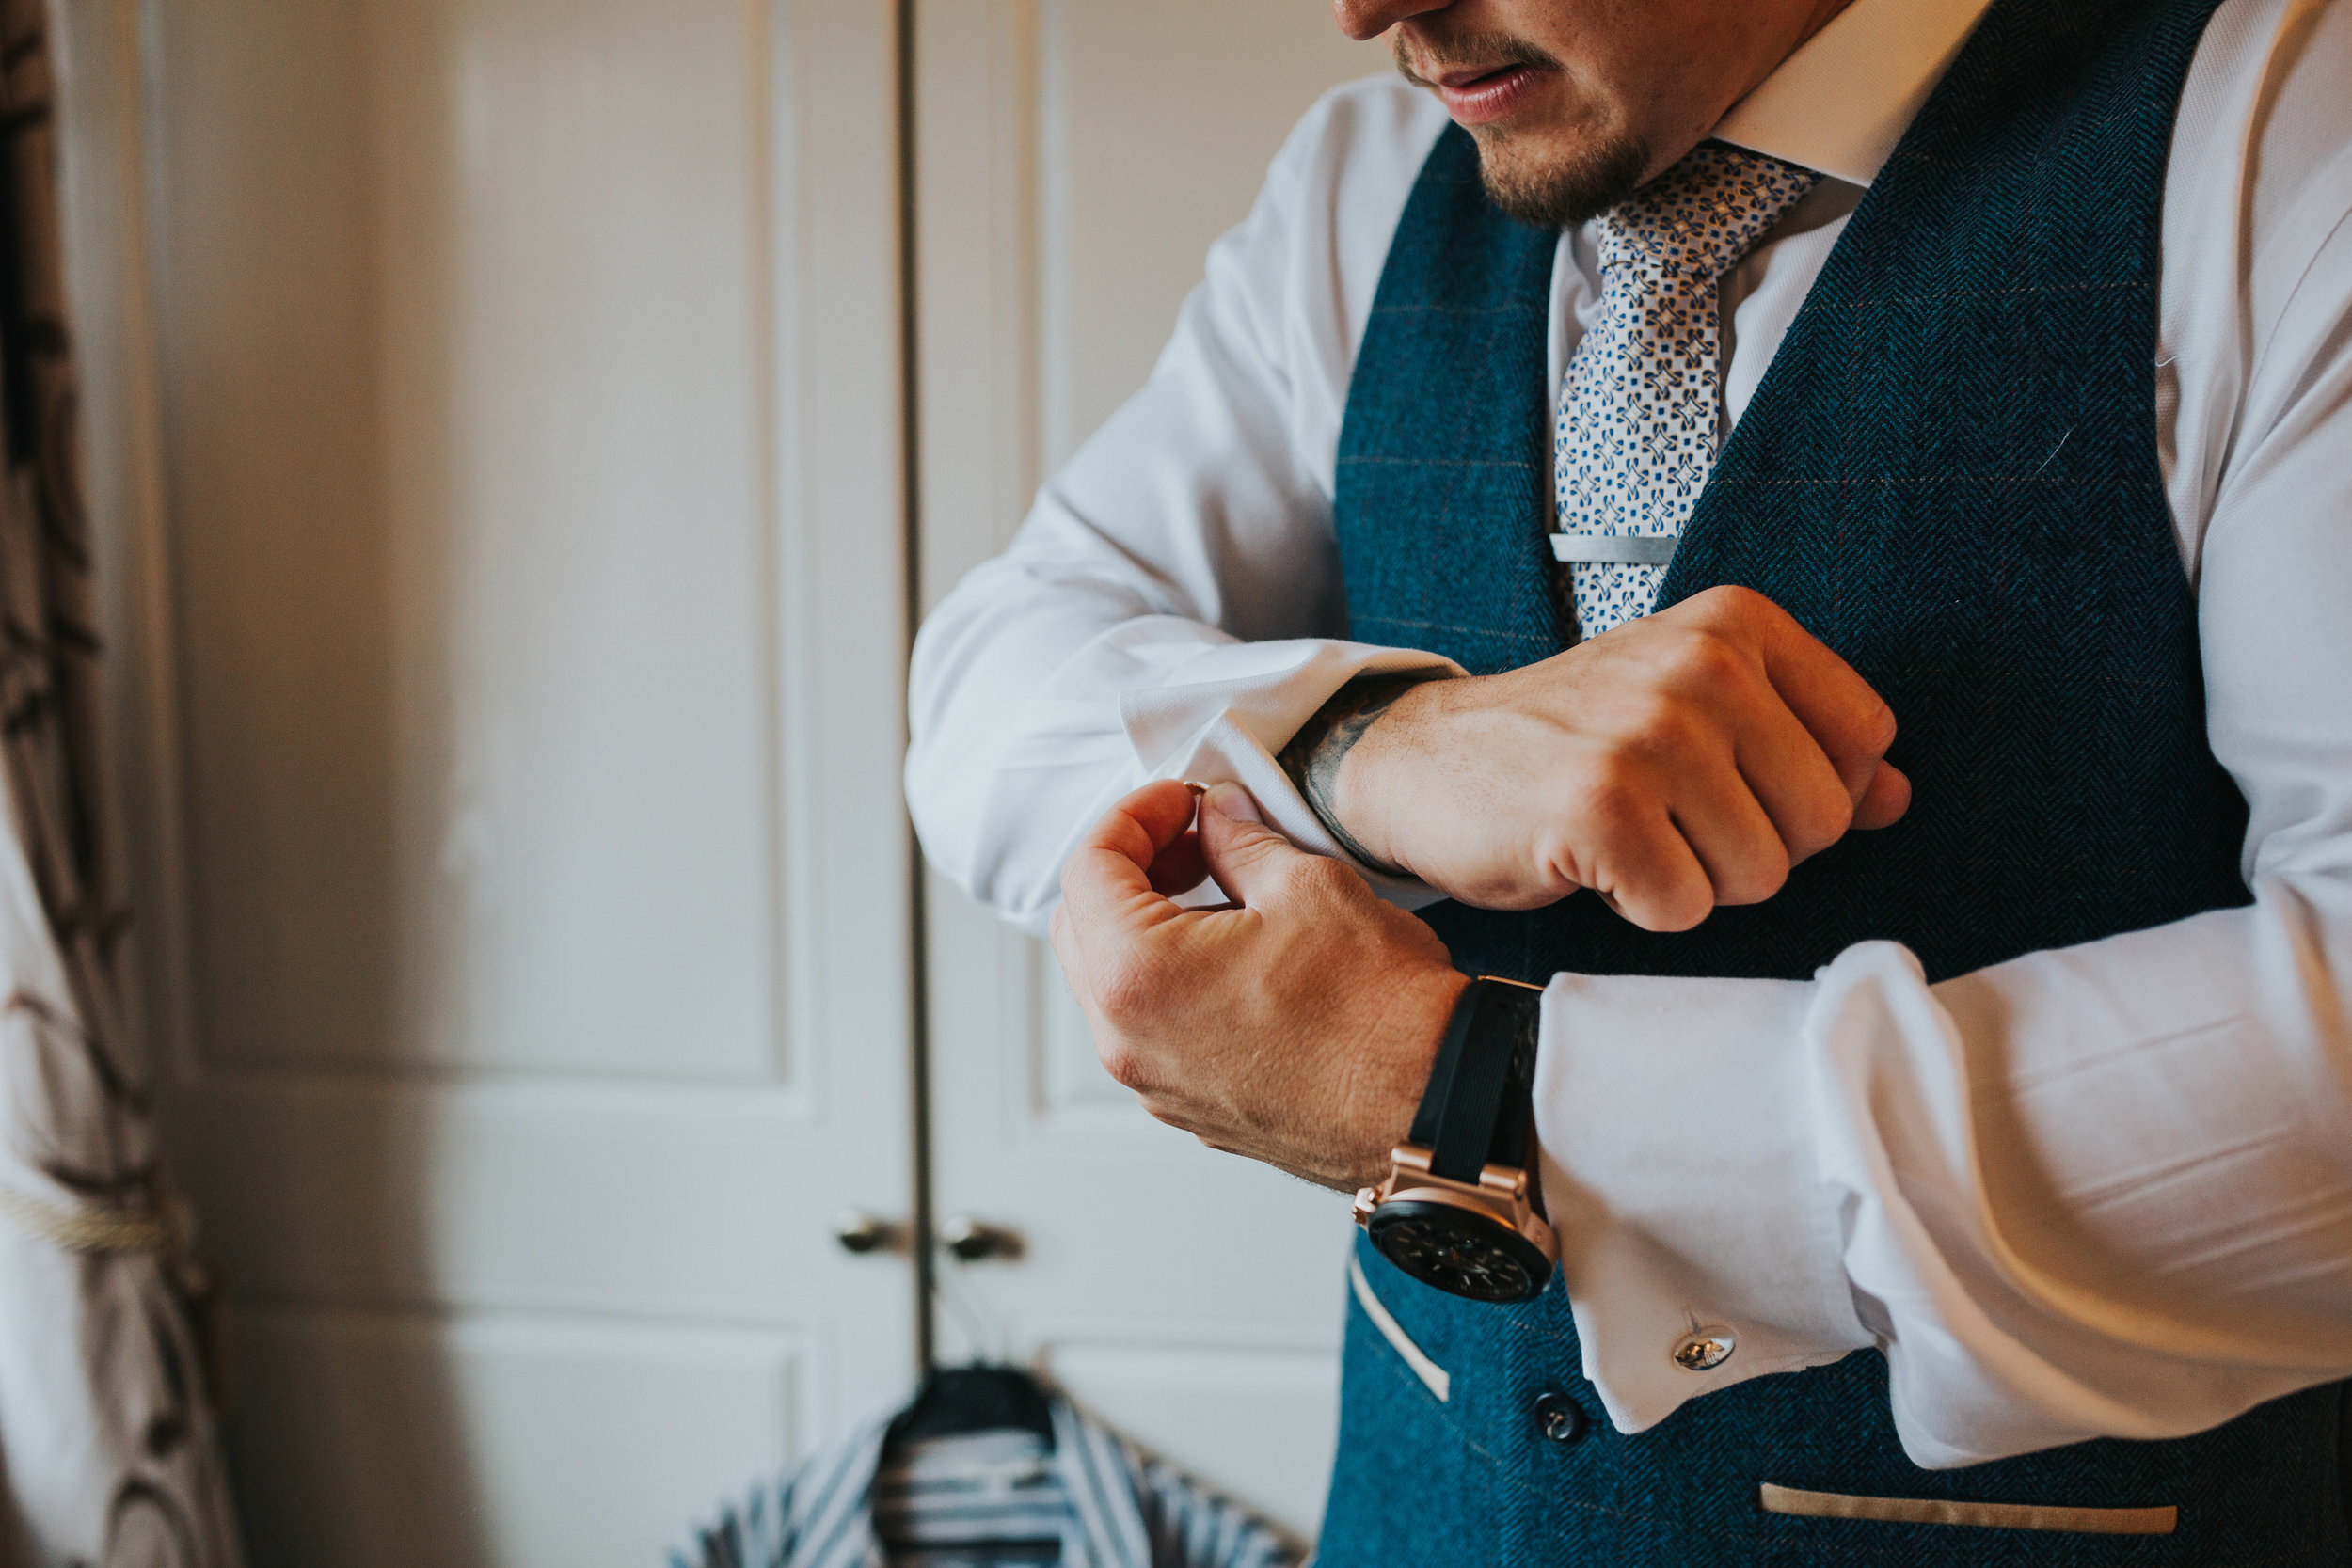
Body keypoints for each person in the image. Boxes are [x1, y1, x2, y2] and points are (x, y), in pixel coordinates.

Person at [905, 0, 2352, 1560]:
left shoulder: (2284, 126)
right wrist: (1365, 744)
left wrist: (1477, 1101)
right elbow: (992, 676)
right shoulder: (1367, 178)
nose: (1364, 9)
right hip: (1422, 1506)